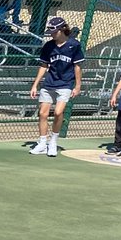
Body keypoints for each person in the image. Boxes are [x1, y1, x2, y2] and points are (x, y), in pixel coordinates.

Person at [28, 16, 83, 158]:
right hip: (49, 84)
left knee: (58, 112)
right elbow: (43, 66)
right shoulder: (48, 46)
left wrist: (77, 86)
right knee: (43, 114)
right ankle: (42, 143)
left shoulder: (74, 45)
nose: (51, 34)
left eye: (54, 31)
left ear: (62, 30)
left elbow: (77, 67)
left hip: (65, 84)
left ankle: (53, 141)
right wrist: (35, 85)